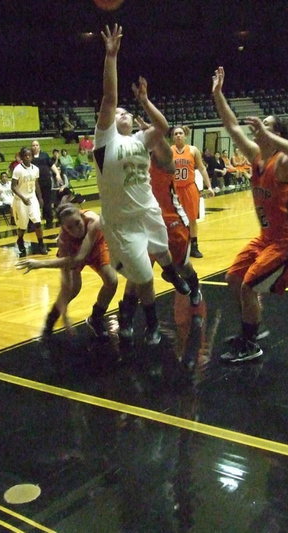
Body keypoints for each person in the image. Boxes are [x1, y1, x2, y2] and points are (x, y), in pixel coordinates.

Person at [94, 24, 190, 345]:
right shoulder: (105, 142)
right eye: (119, 112)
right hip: (121, 223)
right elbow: (110, 97)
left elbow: (162, 126)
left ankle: (171, 274)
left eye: (125, 111)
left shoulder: (139, 139)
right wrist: (111, 56)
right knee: (143, 277)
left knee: (162, 250)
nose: (122, 113)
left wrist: (145, 101)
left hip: (147, 209)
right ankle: (149, 323)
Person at [211, 66, 288, 362]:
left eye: (267, 125)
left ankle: (250, 343)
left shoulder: (283, 162)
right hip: (268, 237)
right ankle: (251, 328)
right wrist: (217, 94)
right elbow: (231, 126)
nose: (259, 128)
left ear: (276, 134)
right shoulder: (256, 157)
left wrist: (267, 133)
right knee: (233, 278)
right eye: (261, 124)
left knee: (248, 285)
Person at [17, 202, 118, 340]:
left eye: (77, 223)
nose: (76, 230)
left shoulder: (94, 221)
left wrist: (39, 263)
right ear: (63, 228)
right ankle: (50, 322)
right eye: (70, 228)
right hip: (75, 253)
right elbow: (66, 284)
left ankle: (96, 317)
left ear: (81, 216)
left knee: (111, 280)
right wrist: (64, 316)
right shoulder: (64, 241)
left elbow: (79, 258)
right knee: (73, 289)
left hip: (95, 246)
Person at [144, 118, 203, 307]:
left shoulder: (166, 158)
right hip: (147, 221)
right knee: (142, 274)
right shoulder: (137, 158)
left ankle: (194, 287)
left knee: (182, 265)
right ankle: (143, 320)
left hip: (171, 217)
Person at [171, 125, 214, 258]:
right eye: (175, 133)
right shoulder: (168, 151)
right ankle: (178, 246)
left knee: (192, 219)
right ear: (172, 137)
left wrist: (209, 186)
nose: (178, 135)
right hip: (174, 190)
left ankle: (194, 246)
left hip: (189, 187)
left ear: (185, 135)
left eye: (180, 133)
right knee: (174, 220)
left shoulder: (193, 150)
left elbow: (201, 168)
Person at [12, 147, 48, 256]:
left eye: (29, 155)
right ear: (22, 157)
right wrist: (23, 198)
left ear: (32, 156)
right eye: (25, 155)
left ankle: (41, 244)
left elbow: (36, 184)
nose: (28, 157)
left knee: (37, 222)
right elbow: (13, 187)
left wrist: (40, 197)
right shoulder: (18, 169)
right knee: (23, 226)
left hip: (32, 198)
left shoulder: (35, 169)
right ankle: (20, 240)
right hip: (20, 199)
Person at [31, 140, 62, 229]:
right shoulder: (30, 156)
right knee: (36, 201)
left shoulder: (44, 155)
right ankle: (35, 220)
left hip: (46, 181)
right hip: (35, 183)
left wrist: (58, 174)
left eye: (37, 145)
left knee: (47, 201)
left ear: (39, 146)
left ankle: (49, 219)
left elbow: (52, 165)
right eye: (33, 145)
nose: (35, 147)